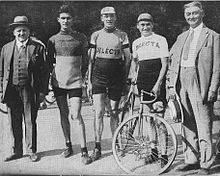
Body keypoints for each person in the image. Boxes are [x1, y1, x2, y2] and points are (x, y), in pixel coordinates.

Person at [168, 1, 220, 175]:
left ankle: (206, 163)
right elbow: (173, 62)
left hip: (201, 83)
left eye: (195, 13)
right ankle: (191, 160)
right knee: (187, 122)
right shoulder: (181, 37)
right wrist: (170, 86)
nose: (191, 17)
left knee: (204, 123)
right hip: (181, 80)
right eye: (188, 14)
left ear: (202, 14)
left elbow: (217, 67)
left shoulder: (212, 36)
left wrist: (213, 89)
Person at [46, 5, 92, 165]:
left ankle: (84, 151)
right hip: (58, 83)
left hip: (75, 83)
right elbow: (50, 63)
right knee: (63, 114)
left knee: (76, 115)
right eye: (63, 18)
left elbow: (86, 62)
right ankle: (68, 145)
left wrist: (84, 79)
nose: (66, 21)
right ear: (58, 20)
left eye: (68, 18)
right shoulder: (52, 40)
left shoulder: (81, 38)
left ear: (73, 19)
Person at [0, 16, 49, 162]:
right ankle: (17, 150)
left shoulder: (38, 47)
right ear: (14, 32)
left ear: (29, 31)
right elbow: (1, 72)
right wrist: (1, 91)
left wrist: (42, 92)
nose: (21, 33)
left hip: (30, 89)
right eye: (18, 31)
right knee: (14, 121)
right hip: (12, 90)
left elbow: (45, 72)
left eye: (24, 30)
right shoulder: (6, 48)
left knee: (30, 120)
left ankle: (31, 150)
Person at [88, 6, 130, 161]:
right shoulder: (96, 35)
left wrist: (125, 80)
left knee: (114, 111)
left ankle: (115, 144)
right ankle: (97, 147)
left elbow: (128, 60)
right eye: (106, 16)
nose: (109, 19)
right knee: (98, 112)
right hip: (98, 77)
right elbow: (91, 60)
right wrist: (89, 81)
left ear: (115, 17)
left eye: (111, 16)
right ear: (101, 18)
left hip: (116, 78)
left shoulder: (122, 35)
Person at [131, 13, 169, 167]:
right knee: (148, 118)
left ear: (152, 25)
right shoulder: (136, 42)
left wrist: (159, 84)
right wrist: (134, 77)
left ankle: (164, 154)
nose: (145, 27)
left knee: (159, 118)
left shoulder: (160, 40)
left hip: (156, 81)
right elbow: (134, 62)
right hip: (143, 82)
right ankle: (153, 151)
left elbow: (165, 64)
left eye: (148, 24)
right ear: (138, 26)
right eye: (142, 25)